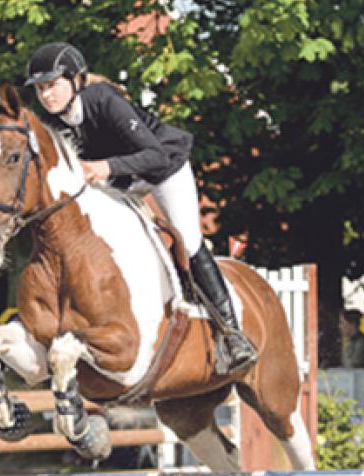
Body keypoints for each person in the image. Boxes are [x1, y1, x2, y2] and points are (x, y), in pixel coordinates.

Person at [23, 42, 256, 375]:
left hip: (163, 171)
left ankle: (232, 334)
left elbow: (155, 155)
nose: (46, 95)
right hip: (121, 181)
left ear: (75, 80)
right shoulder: (51, 123)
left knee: (188, 240)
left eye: (53, 84)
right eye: (41, 89)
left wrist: (105, 166)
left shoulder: (105, 101)